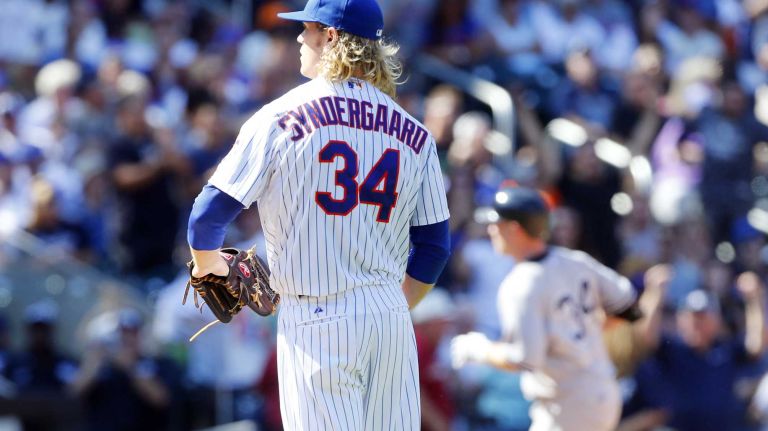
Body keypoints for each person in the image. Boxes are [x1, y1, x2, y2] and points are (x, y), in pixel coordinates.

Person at [185, 0, 451, 429]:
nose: (297, 37)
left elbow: (206, 217)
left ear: (330, 37)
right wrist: (390, 308)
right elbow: (434, 249)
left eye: (306, 27)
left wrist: (210, 268)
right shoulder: (417, 135)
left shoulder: (278, 117)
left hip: (318, 319)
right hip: (391, 320)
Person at [450, 185, 641, 431]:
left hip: (568, 403)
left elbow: (524, 359)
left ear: (514, 229)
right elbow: (630, 307)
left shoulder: (521, 283)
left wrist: (478, 349)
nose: (490, 230)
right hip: (602, 390)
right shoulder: (574, 260)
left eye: (496, 224)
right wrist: (587, 328)